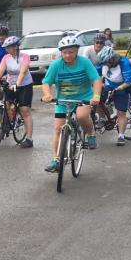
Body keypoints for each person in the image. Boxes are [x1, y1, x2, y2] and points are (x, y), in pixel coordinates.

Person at [41, 35, 102, 173]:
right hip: (63, 100)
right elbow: (46, 82)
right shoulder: (56, 65)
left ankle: (91, 133)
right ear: (61, 53)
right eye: (65, 52)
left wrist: (96, 96)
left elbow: (96, 80)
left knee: (81, 116)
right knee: (58, 129)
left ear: (76, 51)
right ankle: (56, 160)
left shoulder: (84, 62)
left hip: (83, 98)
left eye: (71, 52)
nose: (68, 55)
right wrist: (47, 94)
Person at [0, 36, 35, 148]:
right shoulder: (6, 57)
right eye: (6, 48)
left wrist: (17, 84)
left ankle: (29, 139)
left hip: (24, 85)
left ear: (16, 47)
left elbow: (22, 72)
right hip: (10, 84)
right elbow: (1, 70)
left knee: (25, 110)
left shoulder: (25, 57)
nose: (7, 49)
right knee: (6, 105)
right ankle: (5, 126)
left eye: (9, 47)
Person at [96, 46, 131, 146]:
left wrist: (119, 88)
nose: (104, 65)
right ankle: (103, 118)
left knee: (121, 113)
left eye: (106, 63)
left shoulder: (124, 63)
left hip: (123, 88)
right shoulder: (104, 62)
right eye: (103, 64)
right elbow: (94, 74)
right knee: (96, 101)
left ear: (112, 59)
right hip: (108, 86)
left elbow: (129, 81)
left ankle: (121, 136)